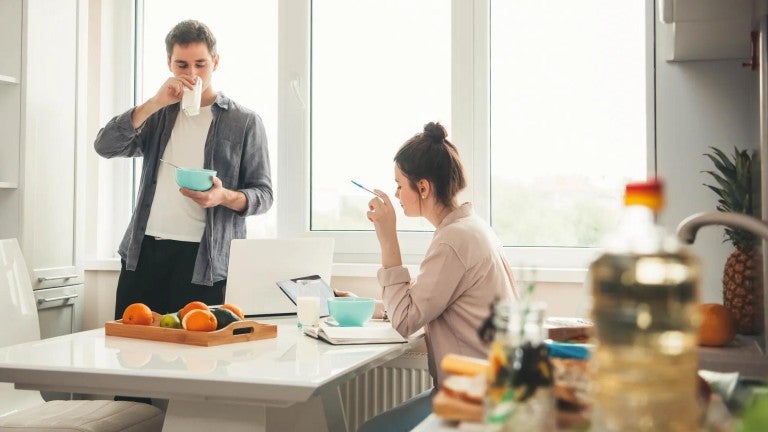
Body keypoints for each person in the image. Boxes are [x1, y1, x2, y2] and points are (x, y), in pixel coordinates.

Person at [95, 20, 272, 319]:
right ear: (169, 64)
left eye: (200, 64)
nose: (192, 74)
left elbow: (263, 194)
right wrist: (154, 103)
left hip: (204, 263)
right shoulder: (158, 115)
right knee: (131, 352)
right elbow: (105, 145)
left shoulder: (244, 121)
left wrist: (223, 197)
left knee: (198, 359)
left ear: (215, 62)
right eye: (182, 65)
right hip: (144, 254)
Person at [358, 122, 518, 431]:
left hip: (476, 401)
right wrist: (369, 307)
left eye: (399, 184)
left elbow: (405, 320)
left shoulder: (452, 240)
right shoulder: (472, 227)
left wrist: (387, 237)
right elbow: (425, 301)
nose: (395, 194)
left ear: (423, 188)